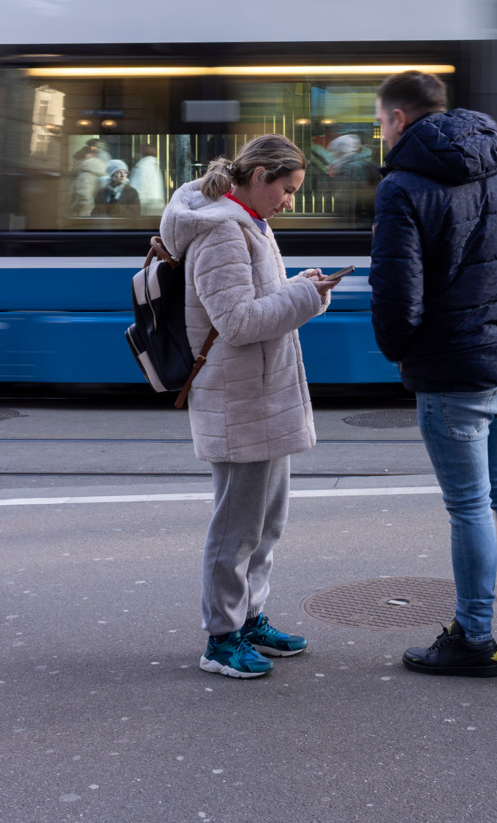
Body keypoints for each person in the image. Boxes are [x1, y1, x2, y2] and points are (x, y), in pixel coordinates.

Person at [369, 70, 497, 678]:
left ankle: (474, 638)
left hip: (452, 373)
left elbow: (397, 298)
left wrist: (402, 352)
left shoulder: (402, 186)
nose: (380, 131)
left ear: (400, 118)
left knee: (471, 506)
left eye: (379, 121)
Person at [157, 134, 344, 680]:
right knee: (237, 526)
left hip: (263, 394)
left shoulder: (247, 222)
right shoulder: (221, 232)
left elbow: (253, 302)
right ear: (259, 175)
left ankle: (249, 618)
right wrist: (305, 297)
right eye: (286, 190)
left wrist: (300, 286)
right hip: (240, 398)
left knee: (265, 522)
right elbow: (236, 323)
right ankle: (220, 637)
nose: (290, 202)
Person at [69, 140, 108, 218]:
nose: (74, 165)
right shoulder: (98, 169)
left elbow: (84, 198)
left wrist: (72, 209)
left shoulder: (85, 174)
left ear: (83, 159)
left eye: (75, 162)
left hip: (83, 214)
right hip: (93, 212)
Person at [130, 145, 167, 215]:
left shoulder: (142, 167)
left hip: (145, 206)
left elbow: (138, 189)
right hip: (157, 204)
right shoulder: (155, 166)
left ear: (141, 154)